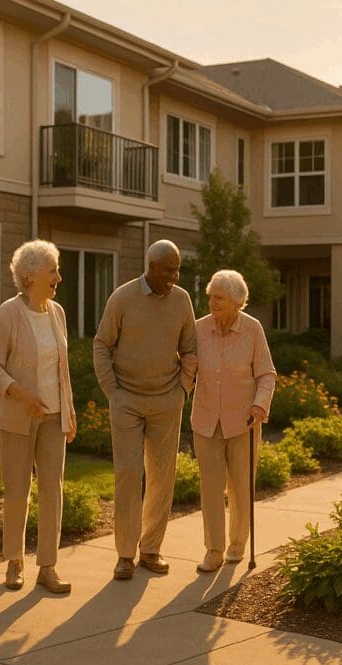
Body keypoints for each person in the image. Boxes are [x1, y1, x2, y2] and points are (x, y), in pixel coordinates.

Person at [93, 239, 197, 580]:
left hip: (166, 400)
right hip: (127, 400)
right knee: (127, 475)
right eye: (169, 269)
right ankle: (125, 554)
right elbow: (102, 345)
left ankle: (151, 549)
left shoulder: (181, 300)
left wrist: (182, 389)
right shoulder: (123, 298)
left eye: (177, 269)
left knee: (162, 477)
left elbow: (191, 350)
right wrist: (113, 392)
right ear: (151, 266)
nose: (174, 275)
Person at [0, 240, 76, 594]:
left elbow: (61, 369)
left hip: (53, 417)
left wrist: (69, 410)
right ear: (32, 275)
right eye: (53, 270)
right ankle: (14, 562)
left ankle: (48, 567)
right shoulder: (8, 313)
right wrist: (23, 396)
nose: (58, 277)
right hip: (16, 417)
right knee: (17, 490)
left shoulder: (57, 313)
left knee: (53, 489)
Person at [190, 270, 277, 572]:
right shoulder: (198, 329)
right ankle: (213, 550)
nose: (212, 302)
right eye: (211, 296)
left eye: (219, 298)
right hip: (206, 421)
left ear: (237, 302)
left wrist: (259, 405)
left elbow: (266, 374)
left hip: (244, 421)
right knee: (211, 487)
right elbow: (187, 369)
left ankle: (237, 544)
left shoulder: (252, 330)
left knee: (241, 486)